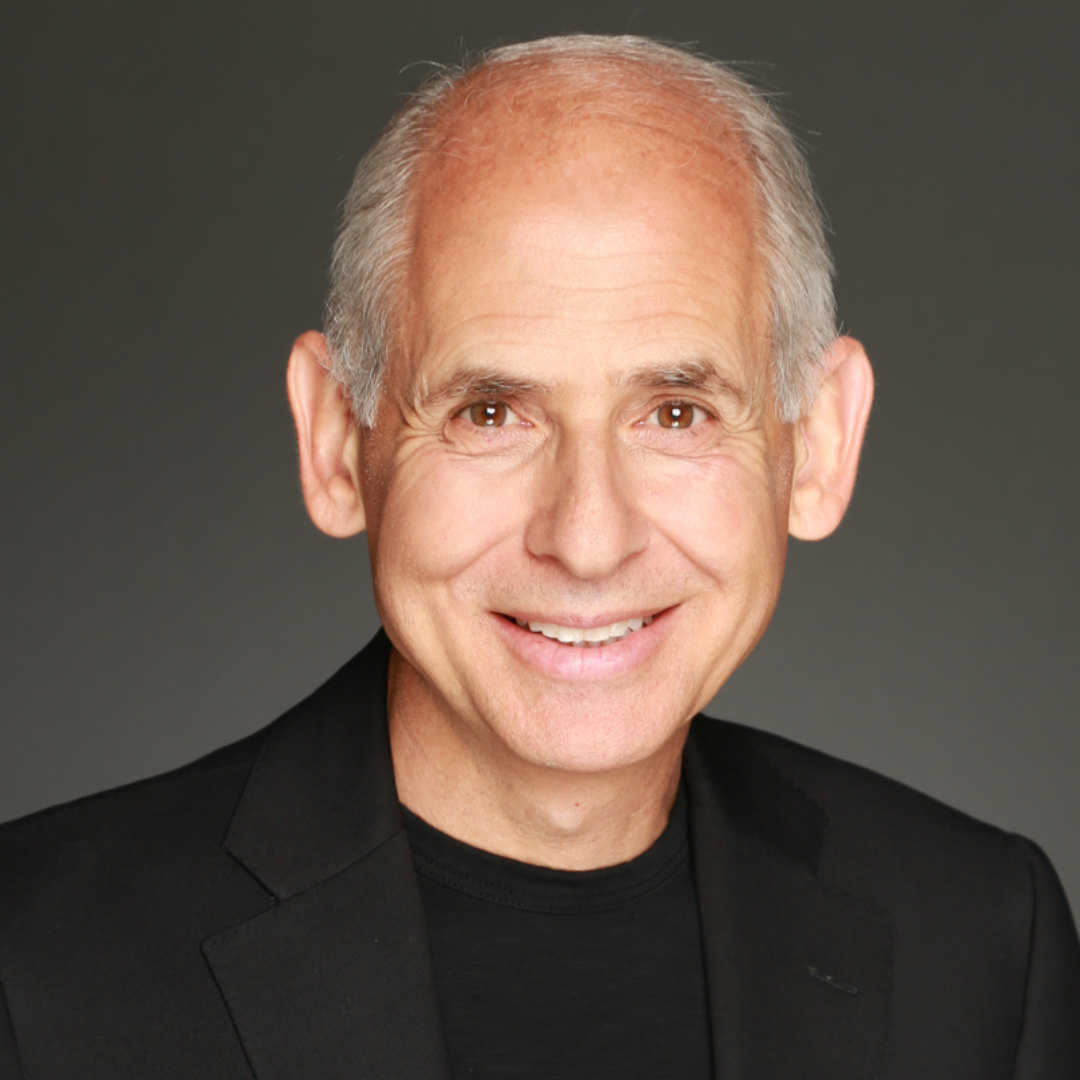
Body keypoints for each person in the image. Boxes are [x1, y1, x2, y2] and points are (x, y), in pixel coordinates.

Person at [0, 34, 1076, 1080]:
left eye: (677, 412)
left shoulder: (983, 940)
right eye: (489, 411)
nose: (588, 536)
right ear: (336, 441)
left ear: (820, 447)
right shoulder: (33, 959)